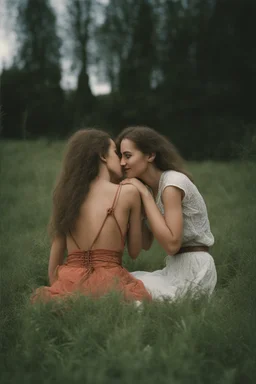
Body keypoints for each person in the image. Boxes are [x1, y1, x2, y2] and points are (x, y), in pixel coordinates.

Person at [31, 129, 152, 303]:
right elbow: (134, 252)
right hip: (109, 282)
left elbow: (55, 258)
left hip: (70, 280)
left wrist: (59, 288)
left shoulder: (68, 197)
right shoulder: (128, 193)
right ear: (103, 155)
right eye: (115, 152)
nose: (121, 160)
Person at [116, 126, 217, 300]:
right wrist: (135, 207)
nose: (122, 163)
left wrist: (145, 195)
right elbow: (146, 243)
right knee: (119, 283)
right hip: (174, 268)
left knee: (131, 292)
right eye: (120, 156)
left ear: (150, 155)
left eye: (128, 156)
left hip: (195, 269)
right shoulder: (148, 189)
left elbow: (171, 245)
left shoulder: (171, 184)